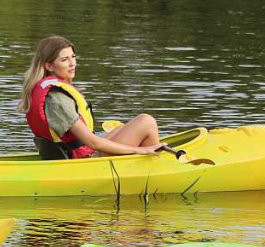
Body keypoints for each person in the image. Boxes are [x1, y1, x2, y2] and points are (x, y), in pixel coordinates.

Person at [19, 35, 167, 159]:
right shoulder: (57, 99)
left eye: (73, 57)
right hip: (83, 161)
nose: (72, 64)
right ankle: (154, 165)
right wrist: (141, 150)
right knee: (146, 121)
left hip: (79, 153)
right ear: (49, 66)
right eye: (64, 60)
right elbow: (94, 143)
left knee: (124, 127)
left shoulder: (50, 90)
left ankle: (150, 159)